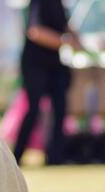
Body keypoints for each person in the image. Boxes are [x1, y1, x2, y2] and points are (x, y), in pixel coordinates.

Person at [14, 0, 81, 165]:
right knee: (33, 109)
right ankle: (17, 156)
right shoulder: (37, 2)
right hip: (34, 63)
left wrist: (78, 41)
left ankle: (55, 158)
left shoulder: (58, 3)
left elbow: (65, 26)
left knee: (60, 110)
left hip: (54, 63)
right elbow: (35, 31)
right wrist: (65, 41)